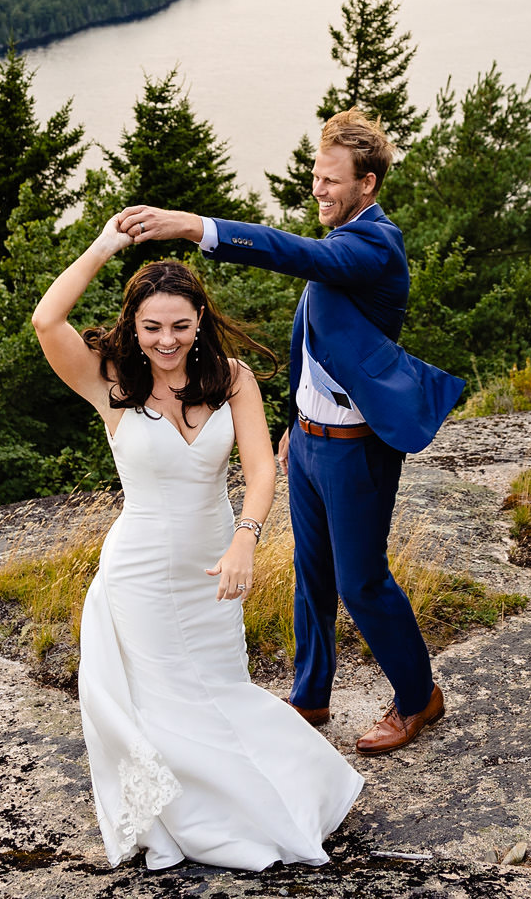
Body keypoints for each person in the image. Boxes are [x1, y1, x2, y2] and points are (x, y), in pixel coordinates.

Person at [116, 108, 464, 756]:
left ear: (368, 184)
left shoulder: (372, 246)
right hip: (308, 442)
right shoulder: (342, 239)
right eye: (314, 175)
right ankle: (310, 695)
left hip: (355, 449)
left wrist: (197, 227)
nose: (318, 190)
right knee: (311, 572)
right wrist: (293, 424)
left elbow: (293, 253)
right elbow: (315, 339)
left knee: (361, 582)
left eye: (331, 180)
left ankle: (420, 697)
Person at [31, 234, 362, 871]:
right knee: (164, 703)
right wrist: (104, 245)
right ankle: (189, 819)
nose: (165, 340)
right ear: (133, 323)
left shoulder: (231, 379)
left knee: (220, 689)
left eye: (180, 325)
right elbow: (48, 320)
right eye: (151, 326)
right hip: (140, 573)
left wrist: (247, 537)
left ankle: (269, 796)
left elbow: (261, 470)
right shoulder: (110, 382)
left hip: (215, 563)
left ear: (201, 319)